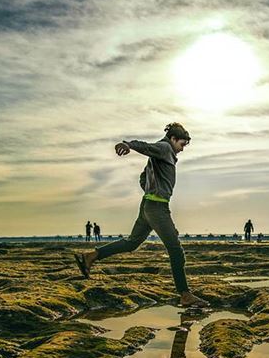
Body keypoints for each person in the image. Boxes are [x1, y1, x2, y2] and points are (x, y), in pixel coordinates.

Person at [74, 123, 209, 307]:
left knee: (132, 243)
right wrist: (128, 144)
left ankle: (91, 256)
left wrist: (149, 190)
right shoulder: (164, 148)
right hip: (157, 207)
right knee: (176, 251)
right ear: (173, 139)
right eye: (182, 144)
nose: (182, 149)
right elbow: (146, 146)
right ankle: (185, 295)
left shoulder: (164, 154)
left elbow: (143, 177)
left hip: (148, 205)